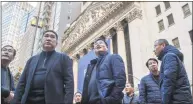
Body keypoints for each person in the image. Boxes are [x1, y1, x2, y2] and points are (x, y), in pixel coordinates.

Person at [12, 30, 74, 104]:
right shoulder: (31, 60)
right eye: (46, 36)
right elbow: (21, 83)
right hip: (29, 99)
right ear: (41, 40)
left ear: (57, 43)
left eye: (52, 37)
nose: (48, 38)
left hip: (52, 100)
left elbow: (69, 83)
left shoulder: (63, 58)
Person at [81, 38, 126, 104]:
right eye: (95, 44)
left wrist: (111, 99)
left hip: (106, 101)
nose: (98, 44)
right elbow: (85, 89)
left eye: (101, 42)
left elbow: (120, 80)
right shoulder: (91, 66)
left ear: (107, 47)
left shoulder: (113, 57)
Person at [154, 39, 192, 104]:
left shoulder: (169, 56)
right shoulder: (171, 56)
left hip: (177, 99)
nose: (154, 50)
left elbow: (168, 81)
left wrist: (164, 101)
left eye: (155, 46)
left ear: (163, 45)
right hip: (180, 98)